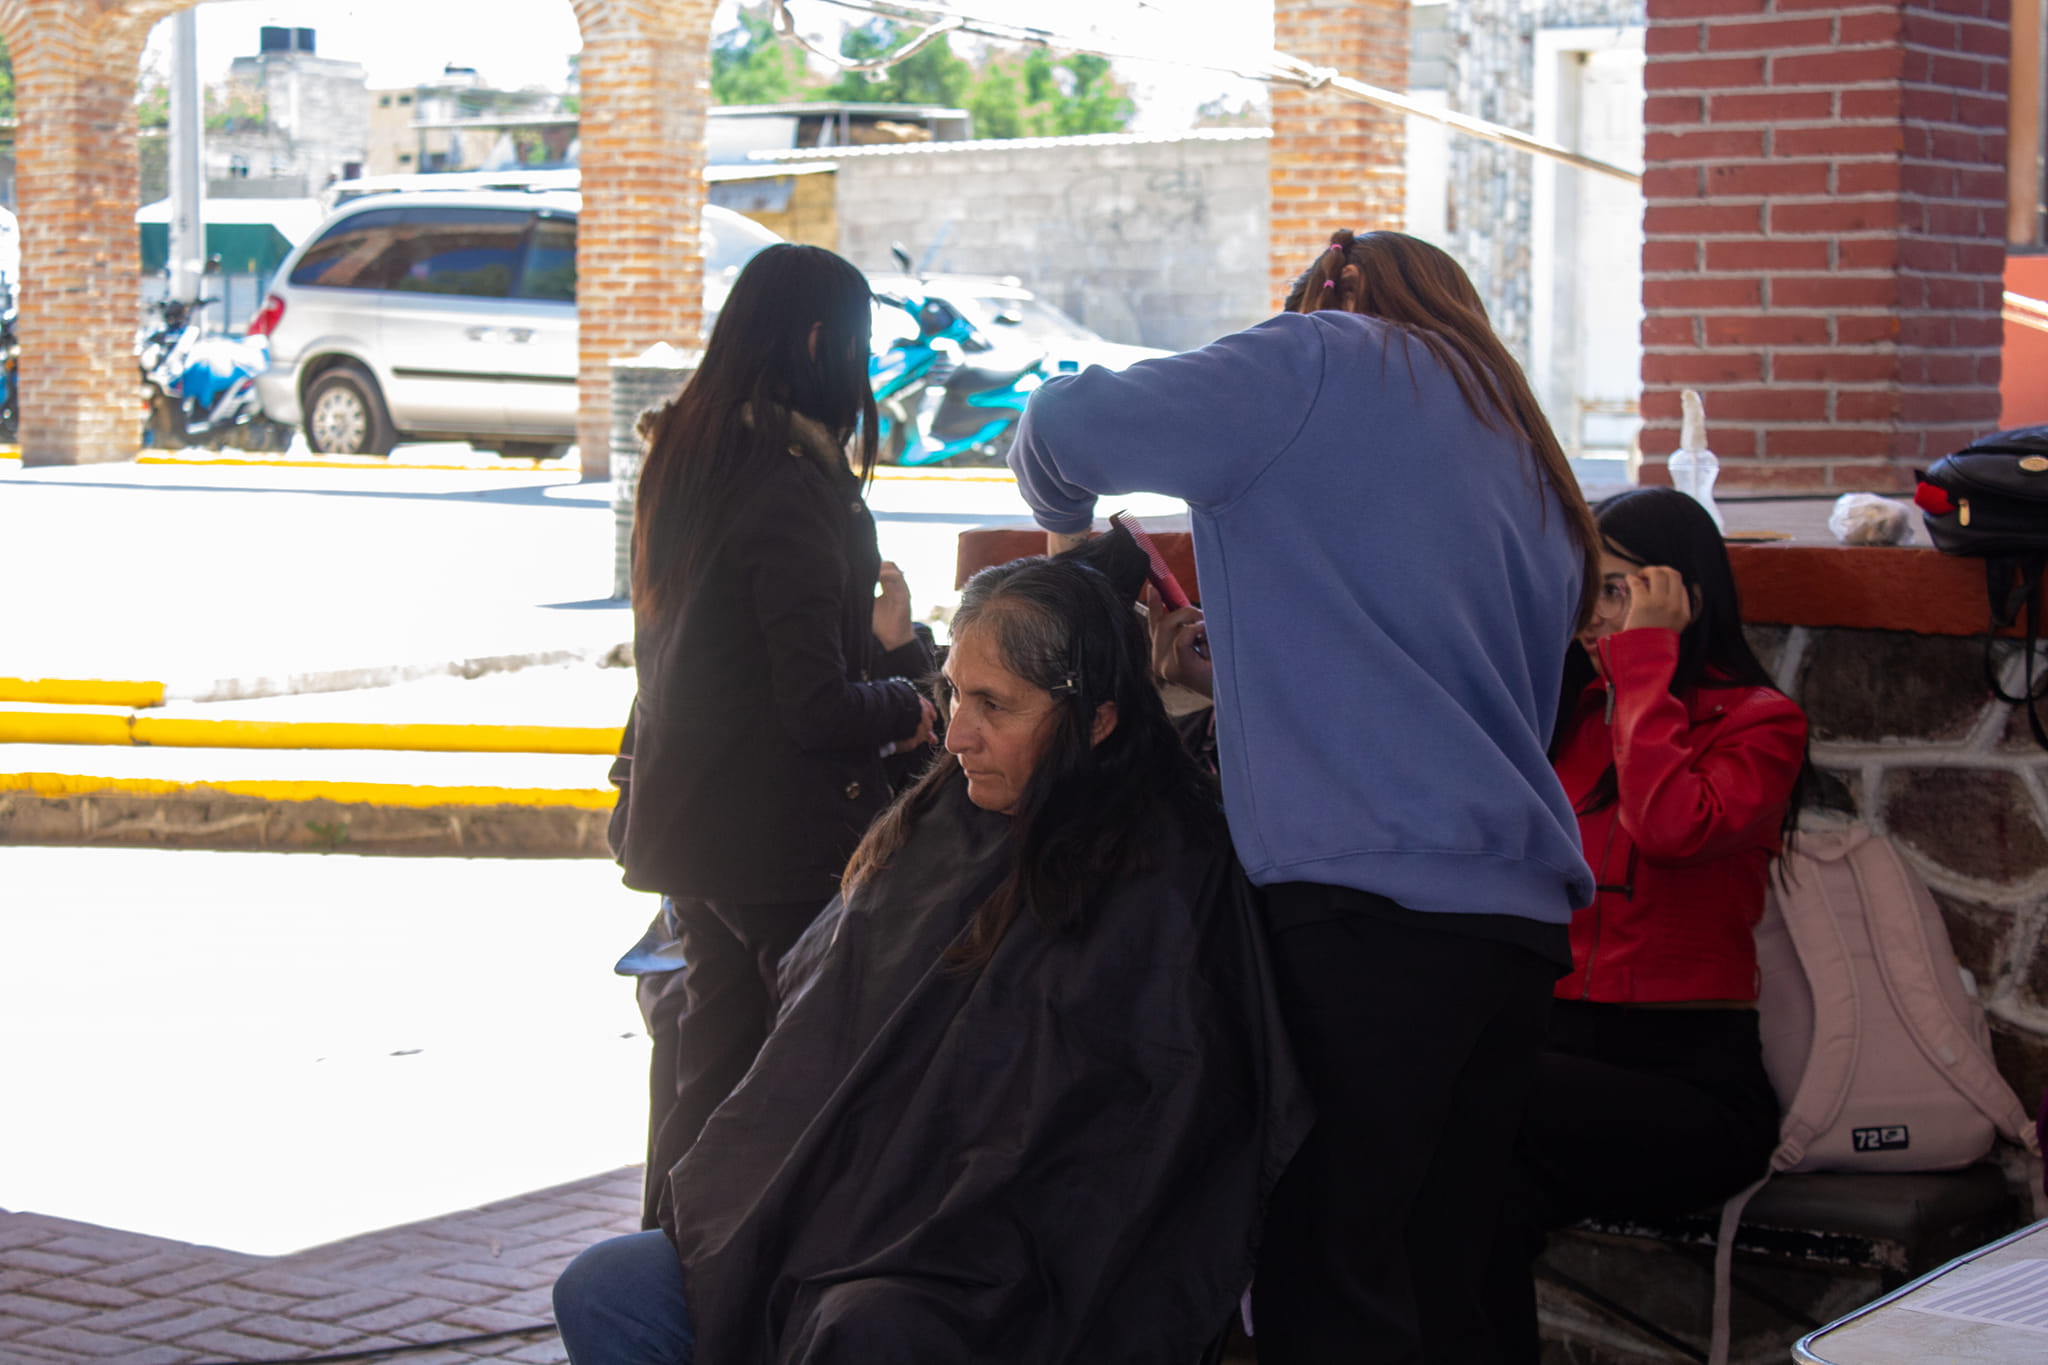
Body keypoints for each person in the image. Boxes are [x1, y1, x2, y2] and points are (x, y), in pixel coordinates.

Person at [1006, 228, 1602, 1363]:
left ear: (1323, 295)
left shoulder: (1312, 359)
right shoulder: (1515, 443)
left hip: (1363, 917)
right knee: (1453, 1278)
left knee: (1327, 1278)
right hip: (1513, 928)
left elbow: (1057, 423)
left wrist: (1068, 542)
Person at [554, 555, 1310, 1365]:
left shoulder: (1165, 876)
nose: (953, 733)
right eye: (953, 692)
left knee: (867, 1333)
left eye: (993, 705)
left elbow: (1111, 1159)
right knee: (606, 1287)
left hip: (993, 1269)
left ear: (1096, 721)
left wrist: (909, 1241)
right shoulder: (943, 819)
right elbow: (818, 1042)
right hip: (838, 1213)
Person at [607, 242, 936, 1230]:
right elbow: (815, 708)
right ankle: (734, 1303)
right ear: (815, 339)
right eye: (861, 343)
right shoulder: (791, 486)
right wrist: (913, 688)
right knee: (794, 1102)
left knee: (705, 1085)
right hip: (779, 843)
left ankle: (663, 1296)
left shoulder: (688, 459)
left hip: (691, 832)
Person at [1483, 486, 1811, 1362]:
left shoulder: (1761, 724)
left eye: (1618, 589)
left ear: (1684, 593)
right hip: (1559, 1063)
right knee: (1468, 1199)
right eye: (1586, 589)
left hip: (1690, 1081)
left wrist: (1646, 668)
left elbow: (1670, 828)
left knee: (1472, 1094)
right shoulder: (1573, 719)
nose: (1594, 616)